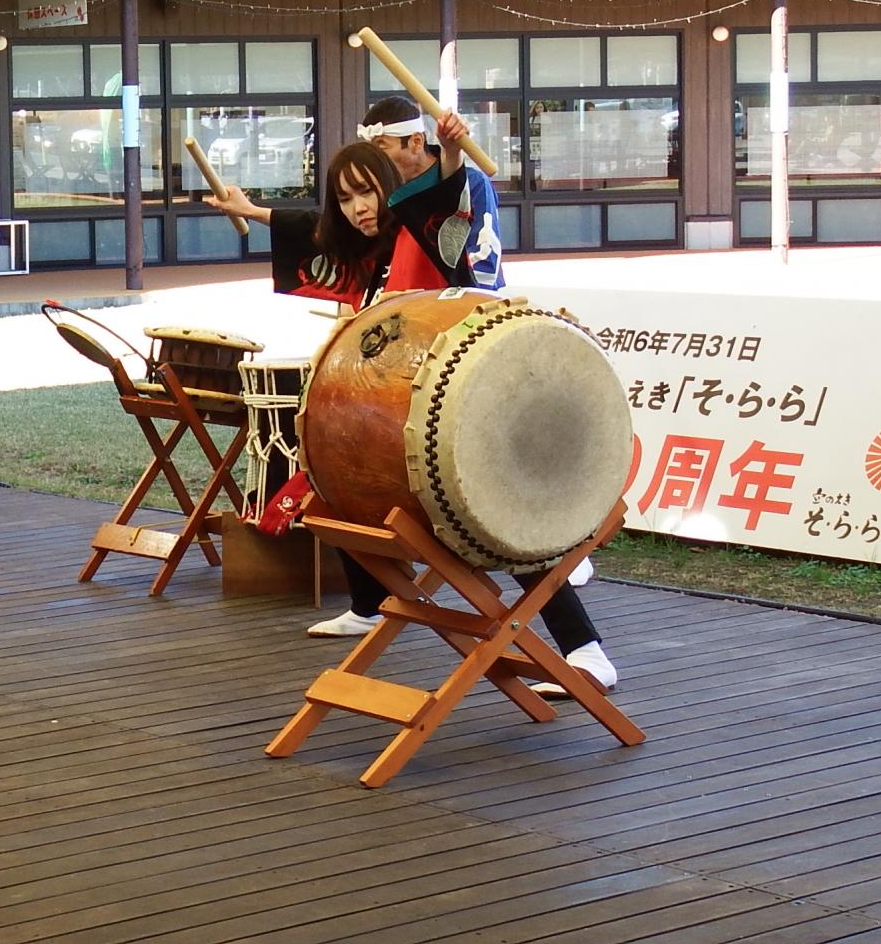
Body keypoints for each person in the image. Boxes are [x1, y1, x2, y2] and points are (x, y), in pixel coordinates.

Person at [206, 102, 619, 696]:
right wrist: (252, 211)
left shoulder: (420, 224)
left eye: (368, 193)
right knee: (337, 477)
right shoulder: (368, 245)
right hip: (403, 402)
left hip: (463, 392)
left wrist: (451, 151)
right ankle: (370, 603)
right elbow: (317, 230)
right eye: (347, 198)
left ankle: (587, 651)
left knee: (499, 519)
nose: (359, 208)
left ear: (397, 184)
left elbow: (447, 197)